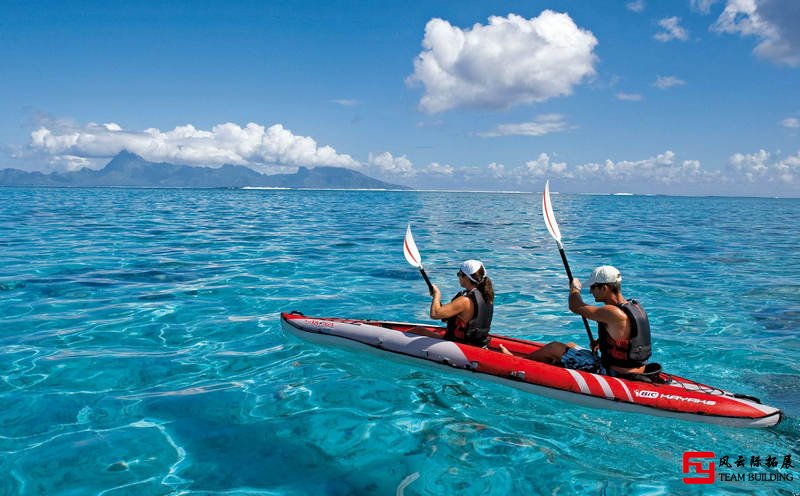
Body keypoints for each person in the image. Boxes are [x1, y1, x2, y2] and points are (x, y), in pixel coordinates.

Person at [501, 265, 652, 377]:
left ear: (604, 288)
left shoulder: (612, 312)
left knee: (555, 348)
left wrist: (574, 289)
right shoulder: (633, 306)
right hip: (635, 369)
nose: (591, 291)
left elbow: (576, 306)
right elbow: (627, 337)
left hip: (615, 373)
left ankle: (516, 362)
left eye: (593, 287)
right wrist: (602, 342)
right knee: (571, 346)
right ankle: (552, 365)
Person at [427, 260, 494, 347]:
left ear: (466, 278)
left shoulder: (464, 301)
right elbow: (447, 318)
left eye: (459, 274)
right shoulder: (488, 296)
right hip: (478, 344)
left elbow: (434, 314)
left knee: (417, 331)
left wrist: (437, 295)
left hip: (460, 345)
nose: (458, 277)